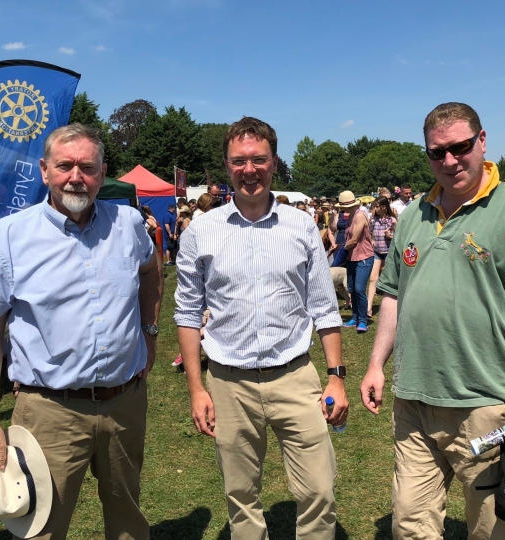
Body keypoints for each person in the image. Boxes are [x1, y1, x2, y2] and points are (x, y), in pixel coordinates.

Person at [360, 102, 505, 540]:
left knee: (491, 529)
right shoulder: (414, 213)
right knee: (411, 525)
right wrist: (376, 364)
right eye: (438, 152)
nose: (450, 160)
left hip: (487, 403)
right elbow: (394, 295)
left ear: (482, 141)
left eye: (460, 147)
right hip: (414, 399)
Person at [0, 123, 162, 540]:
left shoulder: (128, 224)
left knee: (128, 516)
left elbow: (151, 270)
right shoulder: (9, 237)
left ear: (103, 171)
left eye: (88, 167)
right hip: (49, 411)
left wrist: (149, 332)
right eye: (65, 166)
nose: (76, 176)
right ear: (44, 171)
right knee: (40, 526)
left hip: (124, 401)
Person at [175, 117, 348, 539]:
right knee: (240, 497)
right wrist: (197, 389)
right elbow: (186, 312)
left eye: (258, 160)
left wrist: (336, 377)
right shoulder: (201, 230)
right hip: (229, 382)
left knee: (319, 492)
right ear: (226, 166)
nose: (249, 170)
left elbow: (324, 308)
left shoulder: (301, 225)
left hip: (295, 376)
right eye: (239, 161)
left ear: (274, 163)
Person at [336, 190, 374, 334]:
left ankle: (363, 321)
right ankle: (355, 317)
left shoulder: (359, 215)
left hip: (364, 256)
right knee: (351, 289)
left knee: (359, 288)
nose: (341, 209)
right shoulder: (349, 216)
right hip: (352, 257)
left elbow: (354, 239)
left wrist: (341, 251)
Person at [366, 196, 395, 318]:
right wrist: (371, 240)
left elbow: (398, 238)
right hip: (377, 251)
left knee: (390, 280)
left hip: (389, 251)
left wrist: (390, 236)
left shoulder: (392, 220)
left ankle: (391, 306)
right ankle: (368, 307)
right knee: (373, 278)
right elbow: (370, 232)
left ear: (384, 207)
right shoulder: (374, 220)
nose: (375, 209)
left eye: (377, 206)